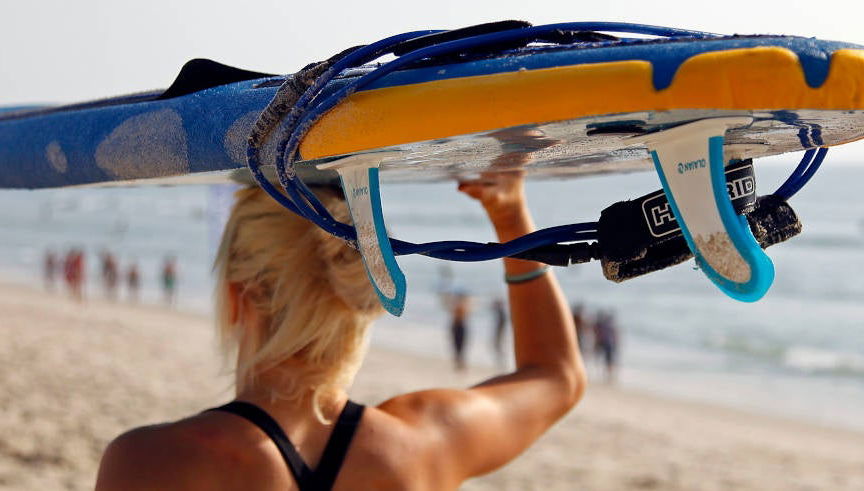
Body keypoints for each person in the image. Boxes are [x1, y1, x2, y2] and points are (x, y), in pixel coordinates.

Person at [96, 172, 586, 490]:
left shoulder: (152, 462)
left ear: (235, 297)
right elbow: (556, 375)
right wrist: (510, 215)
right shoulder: (424, 442)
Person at [593, 309, 620, 383]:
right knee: (608, 360)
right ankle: (608, 375)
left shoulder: (601, 325)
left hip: (606, 343)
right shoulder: (608, 325)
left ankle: (608, 375)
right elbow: (615, 334)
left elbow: (597, 334)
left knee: (607, 360)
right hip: (607, 344)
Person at [491, 298, 507, 368]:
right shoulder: (500, 311)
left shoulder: (501, 312)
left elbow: (502, 323)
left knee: (498, 346)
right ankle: (500, 361)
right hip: (499, 331)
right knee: (497, 346)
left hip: (499, 331)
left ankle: (501, 362)